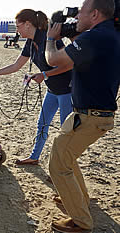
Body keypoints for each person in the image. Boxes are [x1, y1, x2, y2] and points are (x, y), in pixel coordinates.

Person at [44, 0, 120, 232]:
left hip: (90, 116)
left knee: (58, 163)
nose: (76, 18)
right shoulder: (107, 35)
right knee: (66, 155)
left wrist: (50, 38)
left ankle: (81, 222)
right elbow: (81, 55)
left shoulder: (95, 37)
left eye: (82, 13)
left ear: (95, 14)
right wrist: (71, 36)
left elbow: (54, 59)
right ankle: (78, 200)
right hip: (91, 114)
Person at [0, 9, 73, 165]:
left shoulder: (49, 38)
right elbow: (16, 65)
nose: (17, 30)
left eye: (18, 26)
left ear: (28, 24)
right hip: (52, 90)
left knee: (66, 131)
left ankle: (63, 167)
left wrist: (44, 75)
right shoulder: (30, 42)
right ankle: (34, 157)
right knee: (41, 124)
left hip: (67, 91)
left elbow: (69, 64)